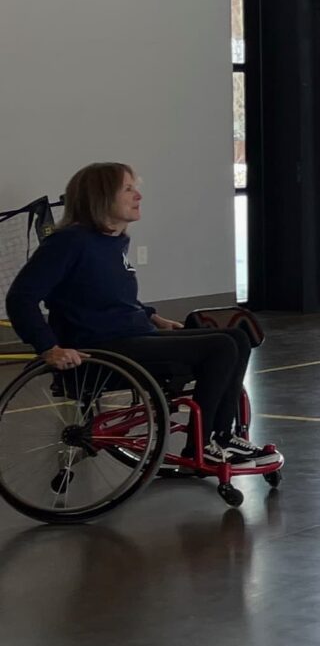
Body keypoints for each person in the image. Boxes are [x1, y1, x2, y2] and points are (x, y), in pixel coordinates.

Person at [4, 161, 275, 465]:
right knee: (222, 346)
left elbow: (108, 295)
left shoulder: (112, 242)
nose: (138, 196)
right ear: (102, 197)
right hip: (102, 349)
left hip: (131, 336)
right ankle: (206, 441)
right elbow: (20, 298)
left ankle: (223, 436)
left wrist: (151, 315)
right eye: (128, 189)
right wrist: (48, 348)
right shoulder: (69, 242)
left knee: (238, 337)